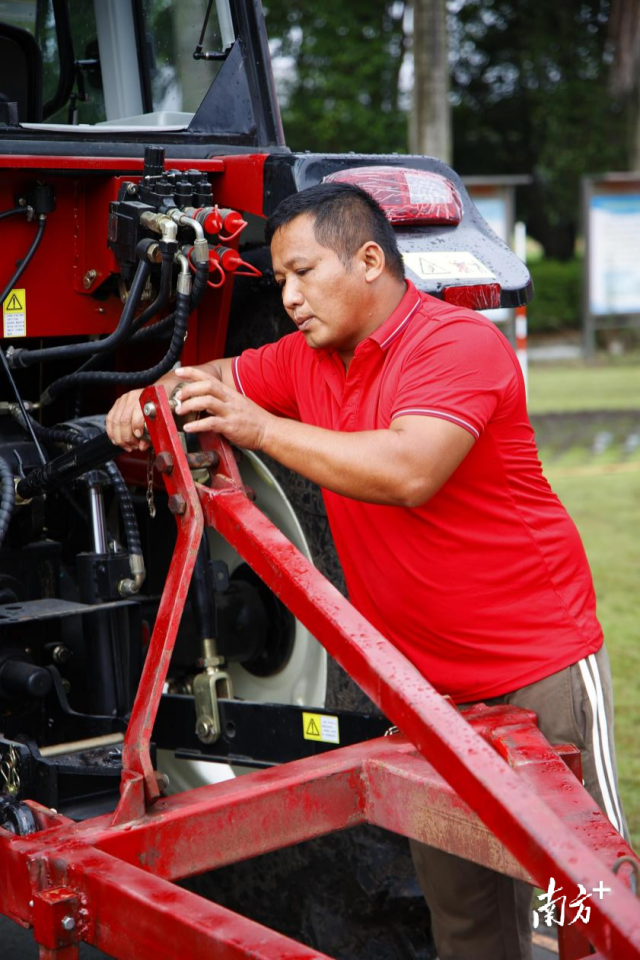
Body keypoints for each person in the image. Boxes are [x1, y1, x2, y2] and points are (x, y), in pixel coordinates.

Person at [107, 182, 627, 960]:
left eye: (303, 273)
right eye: (278, 280)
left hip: (536, 673)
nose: (288, 298)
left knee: (587, 910)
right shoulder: (307, 359)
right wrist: (151, 391)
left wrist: (260, 429)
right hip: (425, 698)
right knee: (467, 925)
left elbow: (409, 469)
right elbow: (209, 375)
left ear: (371, 259)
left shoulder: (457, 345)